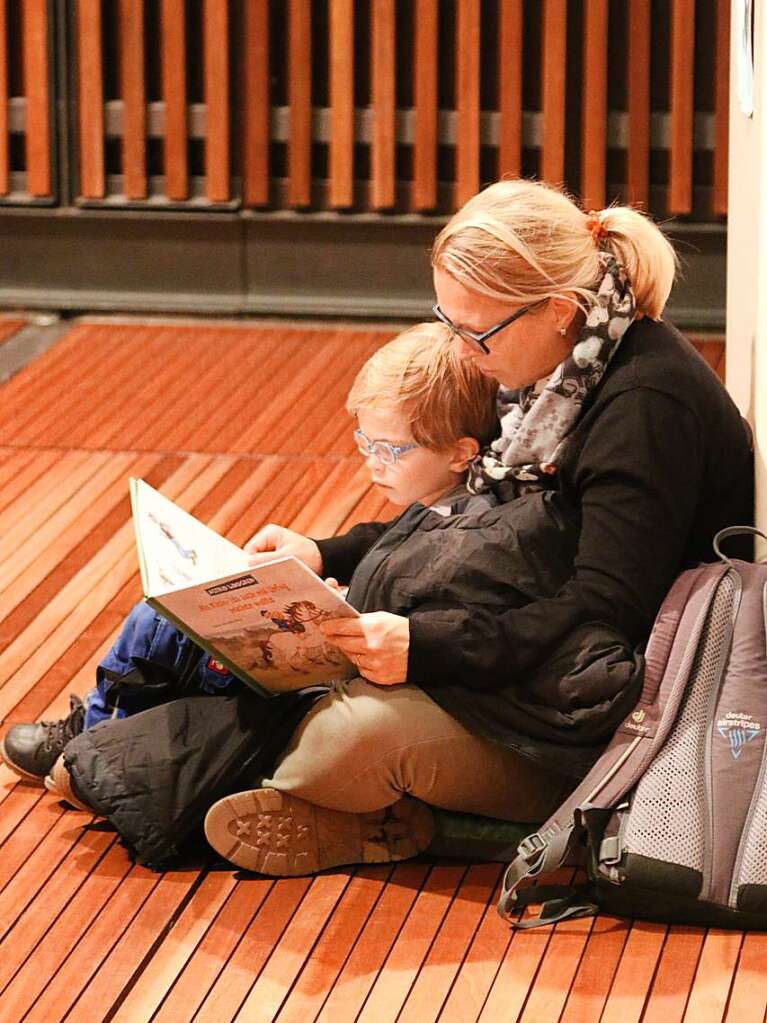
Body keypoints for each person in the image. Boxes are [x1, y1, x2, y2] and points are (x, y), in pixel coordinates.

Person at [202, 178, 753, 877]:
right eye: (448, 319)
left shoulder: (642, 408)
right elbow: (470, 522)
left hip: (601, 714)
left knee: (347, 737)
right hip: (523, 650)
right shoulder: (554, 370)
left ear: (556, 310)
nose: (461, 349)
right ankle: (339, 805)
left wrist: (424, 647)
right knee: (308, 673)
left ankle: (409, 818)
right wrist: (325, 551)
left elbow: (603, 610)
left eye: (474, 330)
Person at [0, 323, 498, 795]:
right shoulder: (445, 498)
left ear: (460, 453)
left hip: (346, 682)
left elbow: (424, 611)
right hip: (340, 658)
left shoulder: (473, 532)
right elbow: (389, 540)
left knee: (170, 633)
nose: (371, 461)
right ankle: (107, 733)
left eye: (390, 450)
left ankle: (97, 740)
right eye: (363, 442)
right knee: (175, 620)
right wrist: (321, 561)